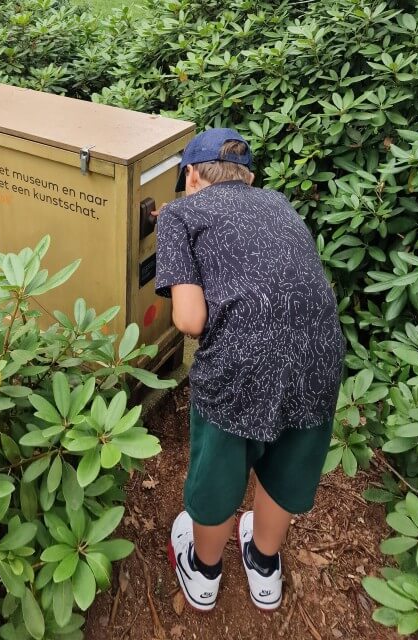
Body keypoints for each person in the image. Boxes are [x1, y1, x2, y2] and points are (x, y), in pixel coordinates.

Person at [154, 128, 345, 612]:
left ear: (191, 175)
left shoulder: (179, 213)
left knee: (219, 471)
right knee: (286, 467)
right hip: (320, 353)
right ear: (250, 177)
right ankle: (263, 567)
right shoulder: (278, 203)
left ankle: (204, 571)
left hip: (241, 363)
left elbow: (189, 319)